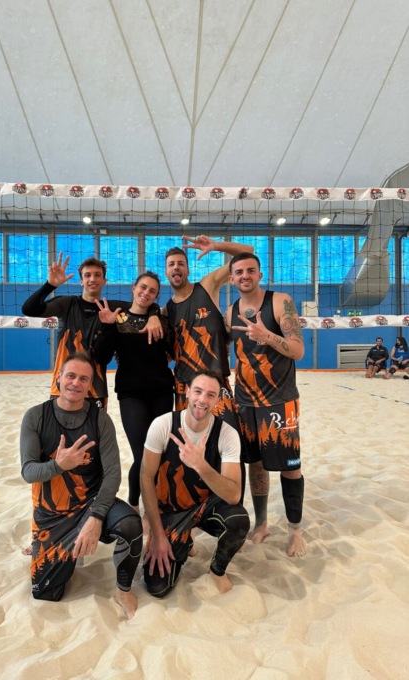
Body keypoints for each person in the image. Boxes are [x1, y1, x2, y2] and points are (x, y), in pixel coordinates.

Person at [20, 352, 142, 618]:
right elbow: (28, 472)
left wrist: (96, 517)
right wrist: (58, 465)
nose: (76, 383)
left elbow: (113, 474)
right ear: (59, 378)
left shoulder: (100, 420)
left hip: (90, 504)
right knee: (46, 594)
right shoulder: (36, 416)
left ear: (90, 386)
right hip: (52, 514)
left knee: (131, 525)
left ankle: (123, 590)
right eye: (71, 376)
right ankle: (58, 546)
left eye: (83, 379)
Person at [140, 370, 250, 598]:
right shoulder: (163, 425)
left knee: (238, 520)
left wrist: (200, 465)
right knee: (157, 587)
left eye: (210, 395)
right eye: (198, 391)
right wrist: (157, 535)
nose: (202, 400)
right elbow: (146, 477)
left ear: (217, 400)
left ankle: (217, 571)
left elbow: (233, 495)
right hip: (170, 510)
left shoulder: (227, 434)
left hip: (203, 507)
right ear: (187, 392)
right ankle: (184, 539)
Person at [225, 253, 306, 557]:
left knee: (289, 467)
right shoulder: (230, 312)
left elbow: (298, 350)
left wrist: (267, 335)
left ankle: (295, 530)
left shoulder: (280, 302)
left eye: (250, 270)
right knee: (255, 464)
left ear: (260, 274)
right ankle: (262, 523)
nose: (244, 275)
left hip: (280, 400)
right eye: (239, 272)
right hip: (245, 401)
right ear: (231, 278)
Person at [22, 252, 162, 407]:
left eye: (97, 275)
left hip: (95, 389)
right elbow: (29, 309)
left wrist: (153, 315)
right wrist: (50, 285)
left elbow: (144, 303)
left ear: (104, 281)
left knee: (95, 424)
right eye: (87, 275)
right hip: (63, 385)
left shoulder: (111, 308)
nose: (92, 279)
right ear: (81, 281)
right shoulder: (67, 304)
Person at [93, 271, 174, 516]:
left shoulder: (160, 320)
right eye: (143, 287)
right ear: (133, 288)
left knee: (160, 453)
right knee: (142, 455)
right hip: (131, 394)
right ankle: (134, 504)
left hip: (161, 392)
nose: (146, 293)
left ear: (156, 296)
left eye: (152, 291)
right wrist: (107, 327)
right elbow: (101, 357)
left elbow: (173, 352)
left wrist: (156, 315)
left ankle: (156, 506)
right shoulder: (118, 319)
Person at [164, 235, 253, 432]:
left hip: (215, 382)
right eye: (171, 264)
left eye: (181, 263)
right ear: (166, 272)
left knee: (229, 440)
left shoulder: (207, 286)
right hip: (185, 387)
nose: (176, 267)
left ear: (188, 270)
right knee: (190, 445)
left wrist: (216, 245)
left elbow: (247, 252)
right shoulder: (166, 312)